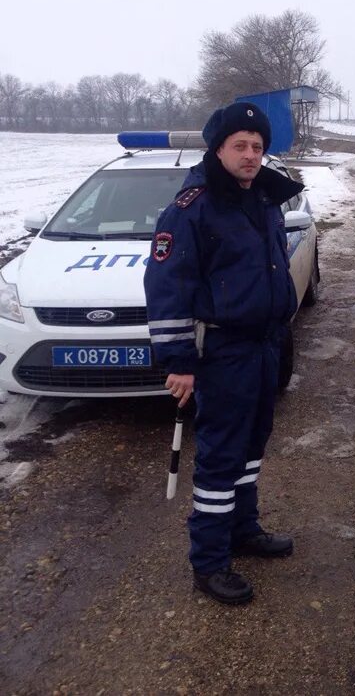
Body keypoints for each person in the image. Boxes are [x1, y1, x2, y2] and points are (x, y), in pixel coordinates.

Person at [144, 100, 303, 605]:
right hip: (225, 353)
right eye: (241, 146)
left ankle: (243, 529)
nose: (251, 155)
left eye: (258, 147)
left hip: (264, 347)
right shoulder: (193, 208)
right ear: (218, 149)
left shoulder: (263, 200)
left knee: (253, 445)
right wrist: (179, 363)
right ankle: (209, 562)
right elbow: (168, 286)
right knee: (220, 457)